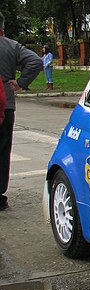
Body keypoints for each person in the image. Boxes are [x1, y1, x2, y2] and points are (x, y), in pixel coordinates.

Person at [0, 11, 43, 211]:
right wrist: (20, 82)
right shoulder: (11, 46)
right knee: (2, 150)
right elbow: (36, 61)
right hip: (4, 105)